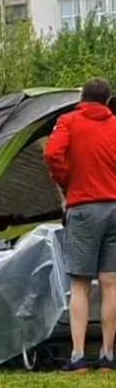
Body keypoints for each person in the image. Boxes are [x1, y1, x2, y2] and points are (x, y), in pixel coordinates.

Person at [44, 77, 116, 372]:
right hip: (114, 207)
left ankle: (77, 356)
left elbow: (52, 153)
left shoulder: (69, 121)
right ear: (108, 100)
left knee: (80, 284)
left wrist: (66, 180)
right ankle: (108, 355)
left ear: (81, 98)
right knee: (111, 283)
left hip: (83, 207)